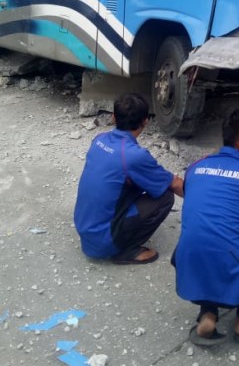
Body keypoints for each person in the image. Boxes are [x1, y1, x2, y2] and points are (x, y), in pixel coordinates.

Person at [173, 108, 239, 346]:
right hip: (231, 266)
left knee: (209, 233)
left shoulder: (196, 166)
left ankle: (207, 312)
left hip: (187, 262)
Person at [74, 93, 184, 265]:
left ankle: (114, 237)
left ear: (113, 117)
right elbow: (175, 184)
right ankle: (126, 250)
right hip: (103, 240)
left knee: (135, 183)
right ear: (145, 122)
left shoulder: (99, 139)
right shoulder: (133, 156)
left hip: (85, 230)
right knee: (165, 197)